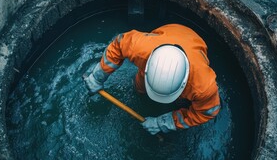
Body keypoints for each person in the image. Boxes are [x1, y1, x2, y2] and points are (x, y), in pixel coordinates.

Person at [83, 24, 220, 135]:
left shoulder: (203, 86)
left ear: (184, 83)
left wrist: (163, 123)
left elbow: (207, 112)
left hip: (191, 40)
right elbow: (118, 45)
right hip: (167, 33)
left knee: (184, 104)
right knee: (139, 87)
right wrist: (97, 76)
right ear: (147, 66)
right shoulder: (139, 48)